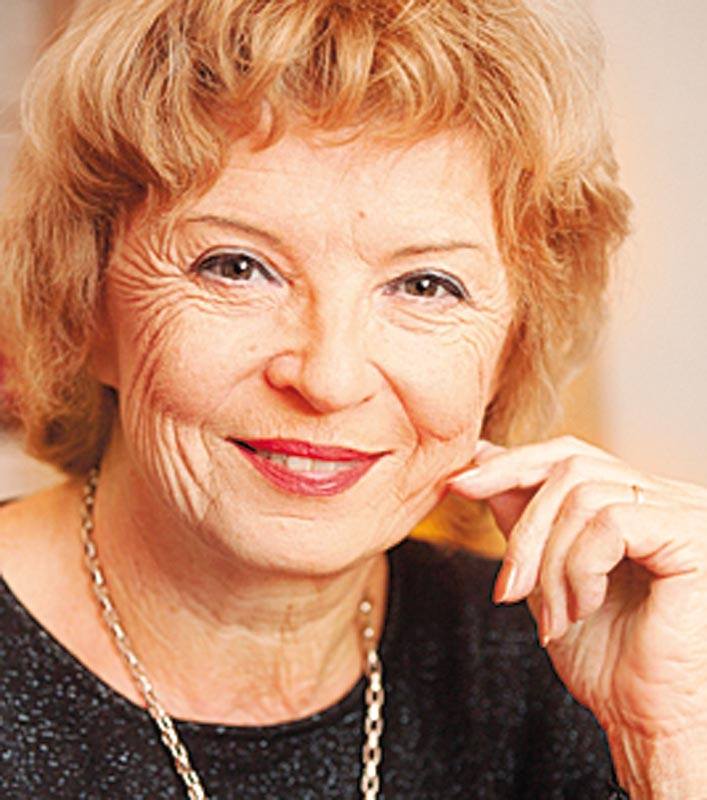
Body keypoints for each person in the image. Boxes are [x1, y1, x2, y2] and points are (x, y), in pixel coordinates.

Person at [0, 1, 705, 798]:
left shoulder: (581, 663)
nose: (328, 379)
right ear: (86, 303)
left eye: (425, 285)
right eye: (236, 267)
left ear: (509, 349)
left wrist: (670, 746)